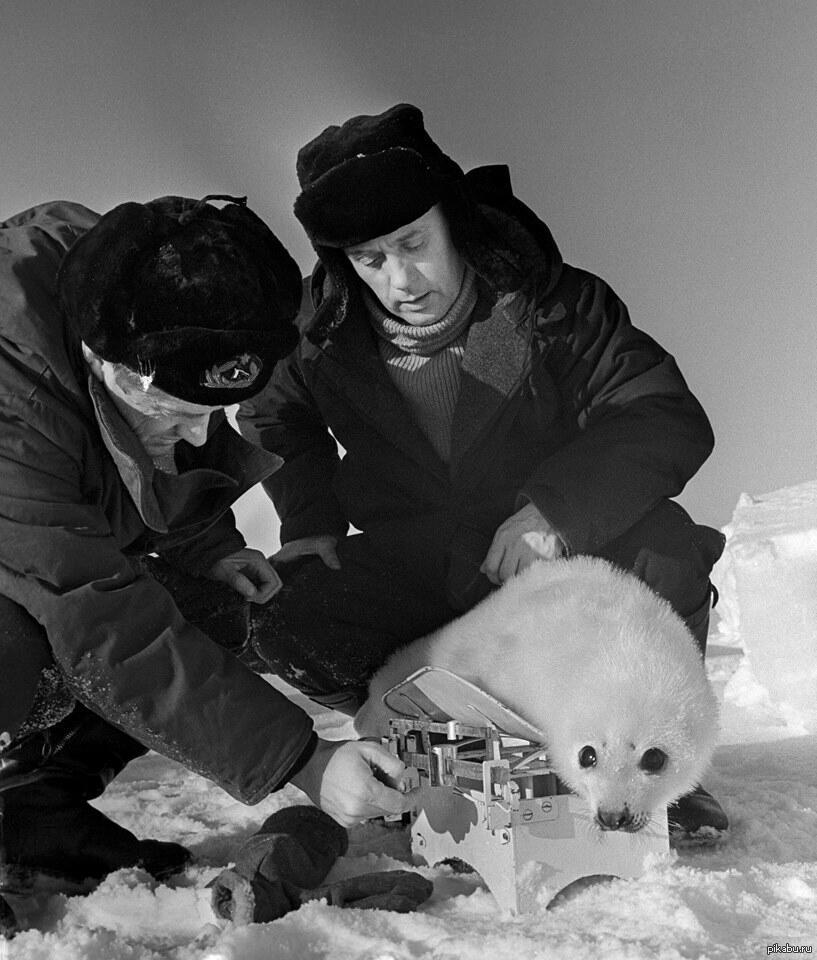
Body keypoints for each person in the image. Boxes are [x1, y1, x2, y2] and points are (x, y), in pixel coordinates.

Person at [238, 104, 729, 839]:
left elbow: (660, 414)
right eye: (371, 260)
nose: (400, 279)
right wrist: (310, 525)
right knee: (287, 610)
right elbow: (275, 418)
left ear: (452, 221)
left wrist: (554, 513)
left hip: (558, 569)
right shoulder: (317, 330)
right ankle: (432, 756)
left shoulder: (557, 303)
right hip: (422, 564)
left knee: (666, 551)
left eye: (412, 243)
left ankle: (651, 769)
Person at [0, 194, 411, 923]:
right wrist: (304, 764)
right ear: (113, 368)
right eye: (179, 414)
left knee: (205, 606)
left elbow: (127, 466)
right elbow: (98, 617)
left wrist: (209, 548)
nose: (196, 437)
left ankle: (34, 815)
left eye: (211, 413)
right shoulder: (12, 404)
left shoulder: (141, 297)